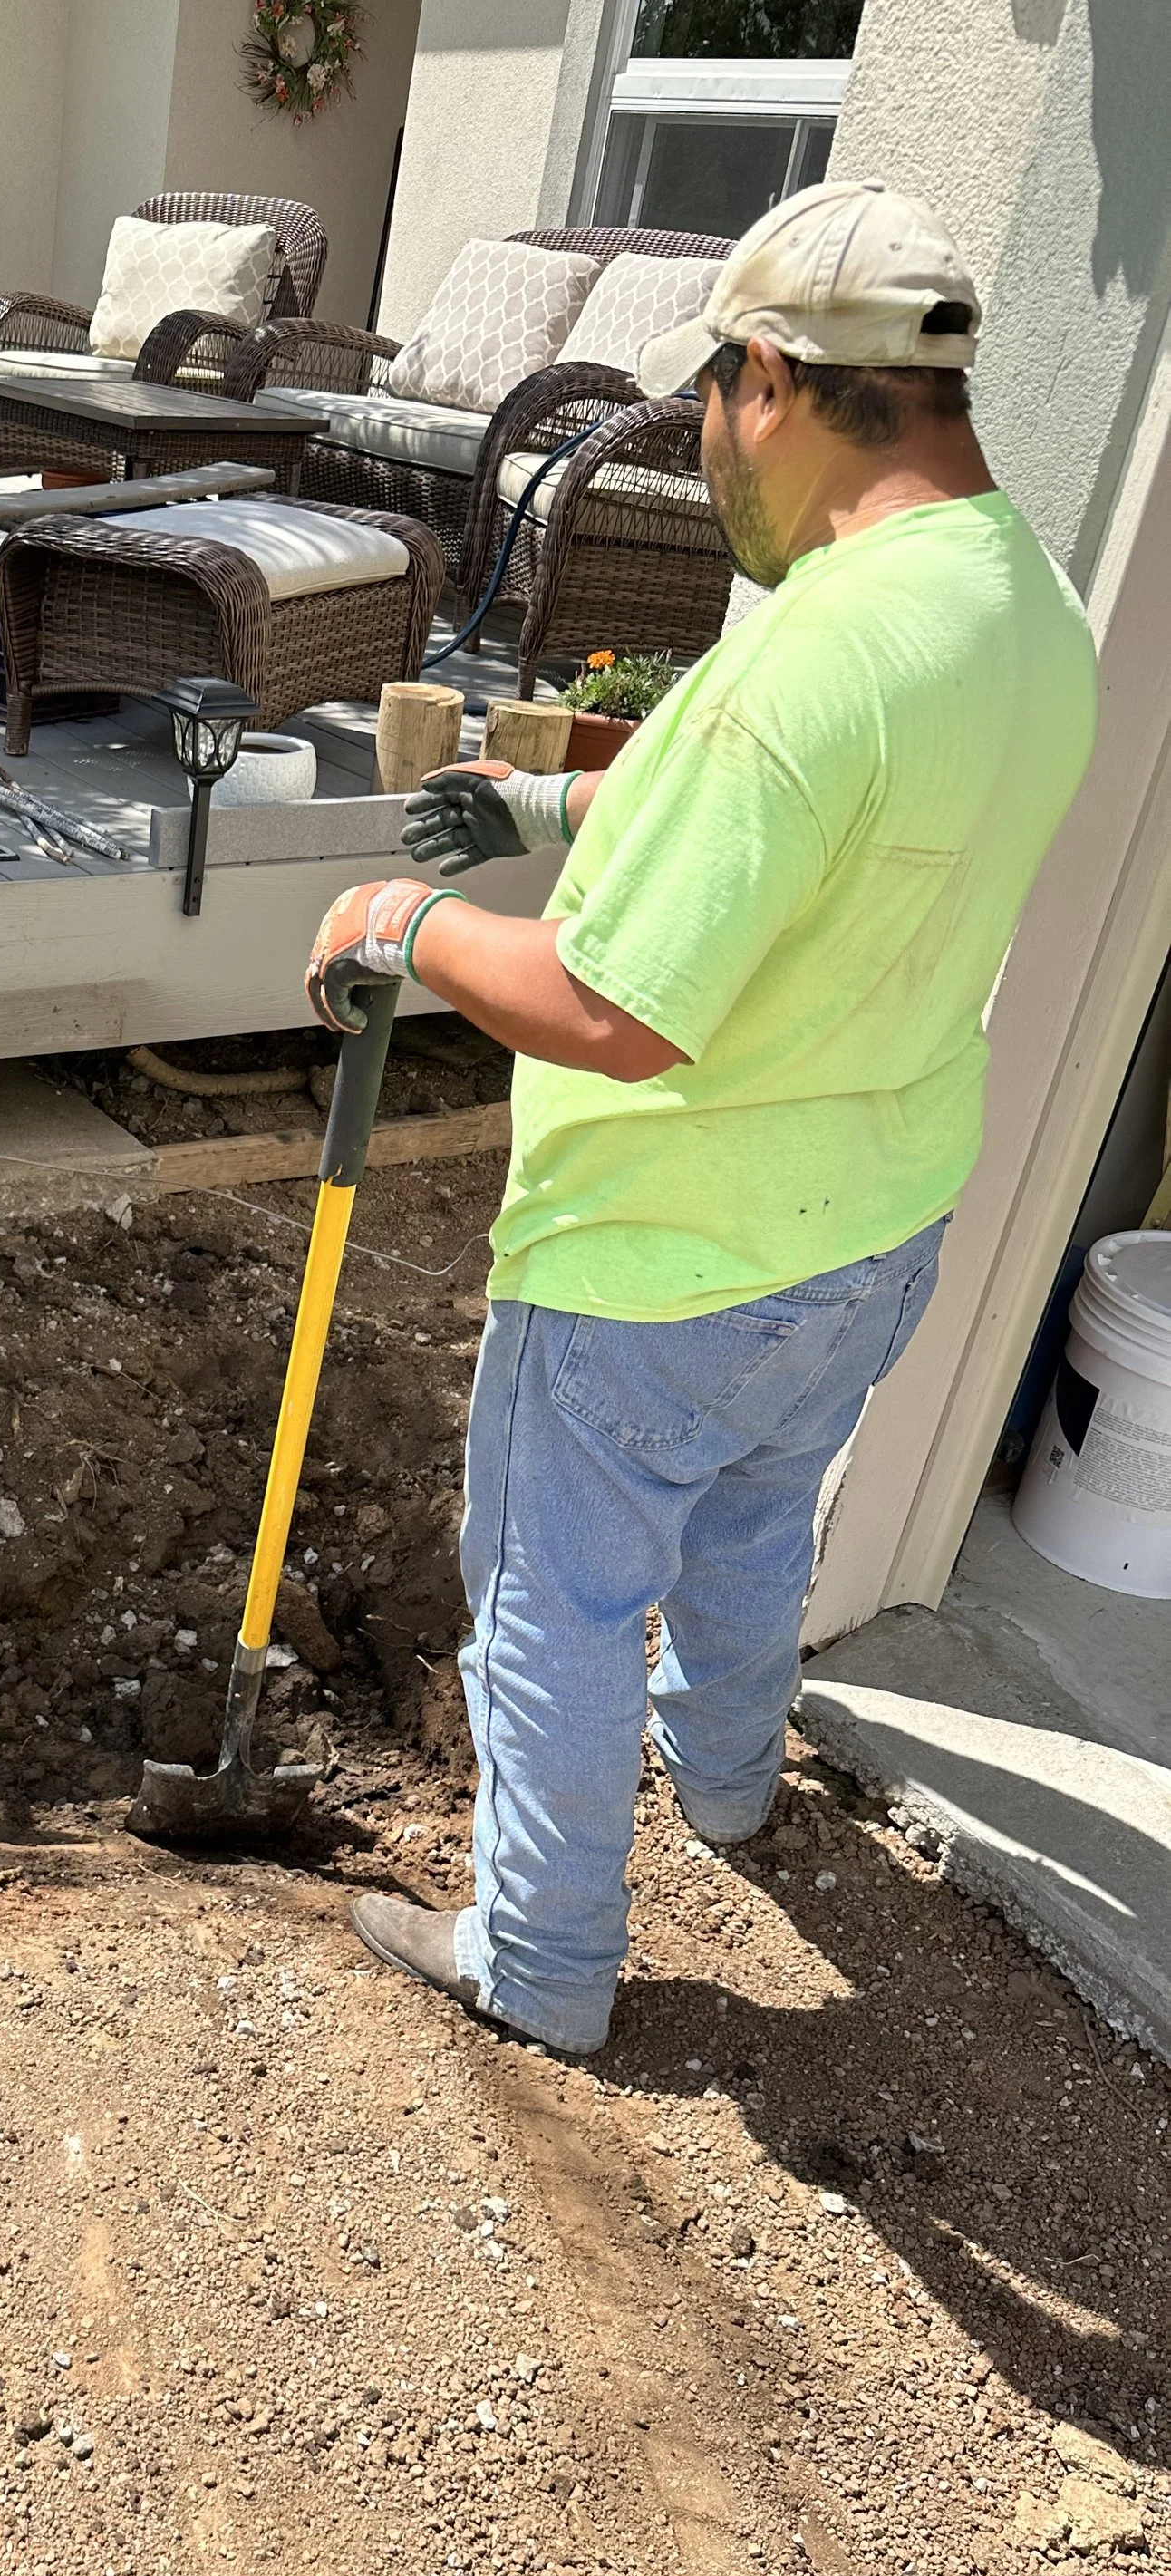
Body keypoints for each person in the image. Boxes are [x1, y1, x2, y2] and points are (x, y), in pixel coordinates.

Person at [302, 181, 1098, 2058]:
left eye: (708, 418)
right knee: (746, 1527)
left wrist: (403, 924)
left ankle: (542, 1958)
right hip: (868, 1224)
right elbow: (820, 837)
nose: (709, 463)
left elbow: (616, 1014)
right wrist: (550, 806)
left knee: (553, 1607)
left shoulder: (797, 665)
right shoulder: (1022, 605)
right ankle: (729, 1786)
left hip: (655, 1259)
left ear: (767, 377)